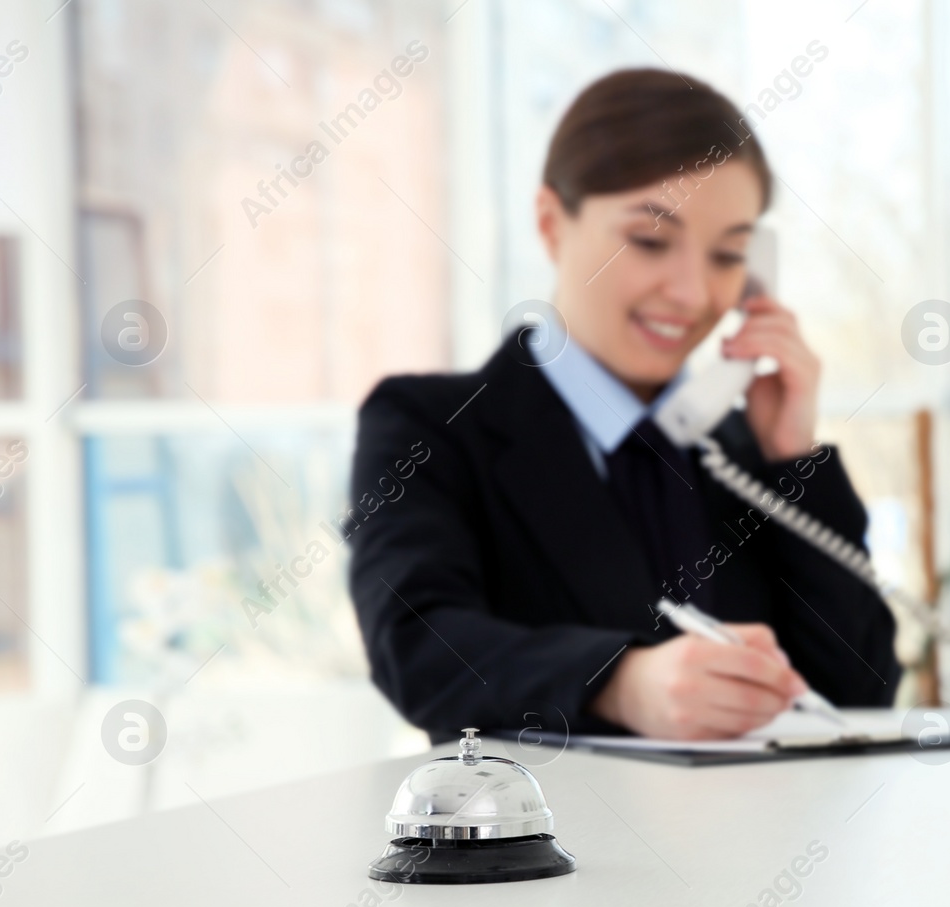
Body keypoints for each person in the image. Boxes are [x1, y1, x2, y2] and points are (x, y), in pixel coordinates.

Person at [347, 68, 899, 744]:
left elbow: (861, 689)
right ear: (551, 224)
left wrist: (792, 455)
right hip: (553, 844)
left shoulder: (739, 453)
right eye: (649, 240)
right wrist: (620, 681)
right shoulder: (430, 424)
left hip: (757, 839)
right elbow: (417, 645)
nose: (694, 293)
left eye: (728, 254)